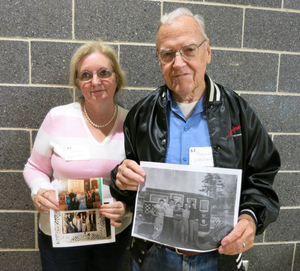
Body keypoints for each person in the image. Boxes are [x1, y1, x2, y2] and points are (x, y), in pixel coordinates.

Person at [110, 7, 280, 271]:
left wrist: (250, 218)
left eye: (189, 49)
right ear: (159, 61)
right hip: (154, 257)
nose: (178, 63)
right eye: (167, 54)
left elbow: (261, 177)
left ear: (207, 51)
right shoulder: (141, 116)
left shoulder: (239, 114)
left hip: (216, 257)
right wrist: (121, 180)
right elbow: (132, 187)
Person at [23, 41, 132, 271]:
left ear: (117, 78)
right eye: (85, 75)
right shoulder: (57, 117)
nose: (95, 81)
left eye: (104, 72)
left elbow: (142, 181)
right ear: (77, 83)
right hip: (61, 235)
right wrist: (39, 191)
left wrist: (126, 208)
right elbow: (34, 167)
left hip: (111, 234)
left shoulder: (132, 123)